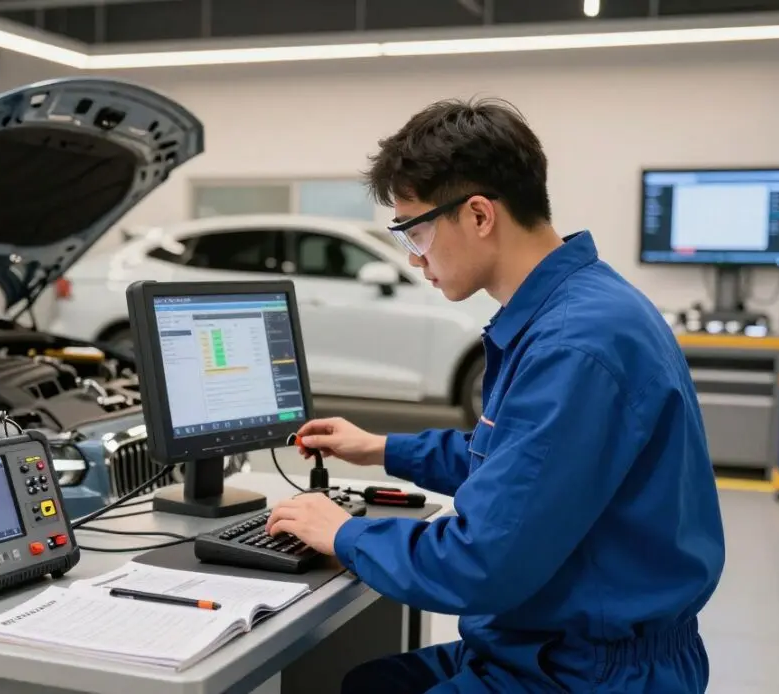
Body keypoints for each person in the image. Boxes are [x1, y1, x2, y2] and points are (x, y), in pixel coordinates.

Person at [265, 97, 725, 693]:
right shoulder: (572, 310)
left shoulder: (575, 345)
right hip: (549, 644)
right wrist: (380, 448)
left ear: (479, 215)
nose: (416, 259)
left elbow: (481, 562)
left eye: (418, 231)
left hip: (590, 672)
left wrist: (342, 532)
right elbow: (517, 466)